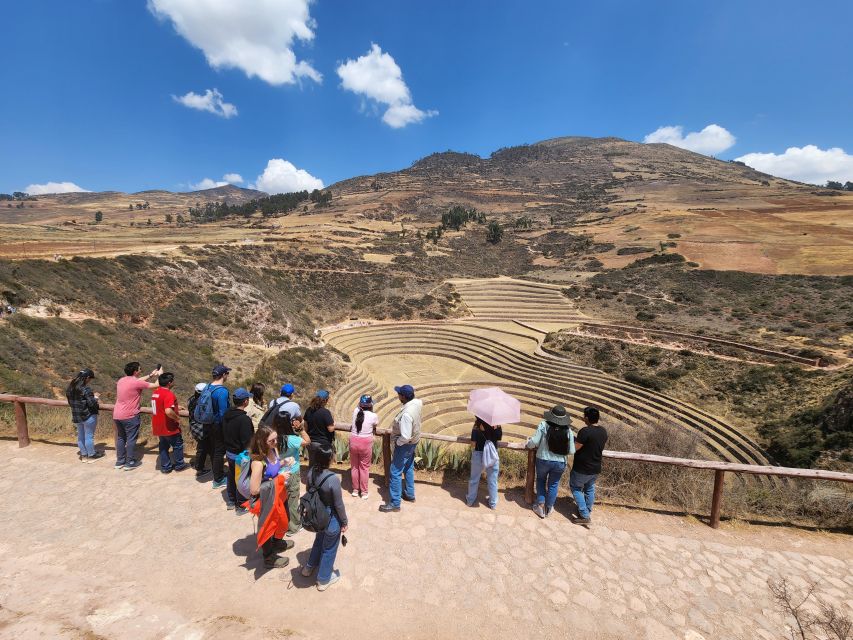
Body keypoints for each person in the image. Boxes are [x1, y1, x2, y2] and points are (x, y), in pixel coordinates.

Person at [300, 442, 348, 591]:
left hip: (317, 514)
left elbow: (309, 491)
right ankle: (323, 580)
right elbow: (338, 504)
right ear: (330, 459)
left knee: (319, 540)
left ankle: (308, 568)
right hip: (330, 516)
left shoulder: (310, 473)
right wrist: (344, 521)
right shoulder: (333, 479)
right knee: (329, 548)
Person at [246, 425, 295, 569]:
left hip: (279, 495)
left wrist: (283, 462)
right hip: (267, 500)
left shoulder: (273, 450)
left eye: (276, 439)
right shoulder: (258, 462)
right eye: (272, 441)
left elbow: (274, 467)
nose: (275, 442)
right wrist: (278, 479)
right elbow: (254, 490)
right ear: (262, 442)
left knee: (284, 519)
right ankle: (269, 558)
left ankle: (277, 542)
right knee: (268, 526)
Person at [526, 405, 575, 519]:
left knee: (541, 481)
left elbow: (534, 442)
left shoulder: (544, 425)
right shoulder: (568, 430)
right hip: (560, 463)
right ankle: (548, 508)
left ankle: (540, 507)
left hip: (543, 459)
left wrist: (528, 443)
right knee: (553, 484)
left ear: (551, 416)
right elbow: (572, 450)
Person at [379, 384, 421, 513]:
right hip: (414, 442)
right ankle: (409, 494)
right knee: (408, 467)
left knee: (395, 472)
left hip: (404, 445)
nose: (397, 396)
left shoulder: (407, 415)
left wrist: (398, 441)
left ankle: (395, 503)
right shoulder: (417, 403)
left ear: (403, 396)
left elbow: (406, 436)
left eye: (399, 394)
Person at [113, 362, 162, 471]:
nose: (141, 370)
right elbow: (156, 385)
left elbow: (138, 381)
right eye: (140, 369)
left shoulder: (121, 380)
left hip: (117, 414)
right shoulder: (136, 383)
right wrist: (160, 375)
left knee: (121, 437)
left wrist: (150, 375)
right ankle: (130, 462)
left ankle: (120, 461)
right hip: (130, 415)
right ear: (135, 371)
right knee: (131, 439)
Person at [272, 405, 310, 535]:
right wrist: (300, 429)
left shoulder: (273, 438)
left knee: (282, 499)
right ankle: (294, 527)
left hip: (278, 472)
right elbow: (307, 441)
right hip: (292, 472)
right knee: (293, 499)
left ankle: (283, 522)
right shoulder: (292, 440)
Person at [570, 406, 608, 525]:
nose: (583, 417)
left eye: (583, 416)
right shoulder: (603, 431)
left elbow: (575, 448)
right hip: (595, 467)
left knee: (575, 488)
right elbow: (593, 445)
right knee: (589, 488)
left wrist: (572, 441)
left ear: (586, 418)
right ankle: (587, 509)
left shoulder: (585, 431)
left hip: (582, 467)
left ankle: (585, 516)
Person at [223, 387, 255, 513]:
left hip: (229, 452)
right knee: (242, 479)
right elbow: (247, 441)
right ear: (245, 401)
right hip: (240, 455)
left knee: (231, 475)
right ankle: (241, 505)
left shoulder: (227, 414)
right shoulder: (244, 419)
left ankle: (231, 500)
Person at [150, 372, 188, 474]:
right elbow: (167, 411)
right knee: (177, 445)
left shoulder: (155, 392)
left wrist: (176, 407)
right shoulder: (168, 394)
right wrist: (177, 418)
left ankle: (166, 467)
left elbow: (159, 406)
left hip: (157, 424)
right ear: (170, 383)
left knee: (163, 446)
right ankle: (179, 465)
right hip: (168, 426)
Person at [65, 368, 103, 462]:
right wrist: (96, 397)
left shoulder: (70, 388)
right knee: (89, 436)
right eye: (90, 379)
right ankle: (91, 455)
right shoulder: (86, 389)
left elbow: (71, 403)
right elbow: (92, 404)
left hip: (77, 415)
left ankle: (84, 455)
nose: (90, 381)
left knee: (81, 436)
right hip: (88, 415)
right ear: (87, 378)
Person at [466, 417, 502, 509]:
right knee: (492, 480)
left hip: (478, 453)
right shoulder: (496, 424)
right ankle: (493, 503)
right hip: (492, 456)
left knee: (474, 479)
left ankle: (470, 500)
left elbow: (473, 444)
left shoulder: (476, 426)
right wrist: (495, 428)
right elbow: (499, 437)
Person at [206, 364, 231, 490]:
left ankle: (217, 473)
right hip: (218, 425)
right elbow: (223, 413)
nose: (228, 376)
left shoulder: (208, 387)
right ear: (223, 375)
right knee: (219, 452)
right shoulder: (222, 391)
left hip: (208, 423)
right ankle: (218, 479)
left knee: (214, 450)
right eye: (227, 373)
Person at [349, 394, 377, 499]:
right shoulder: (374, 416)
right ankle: (364, 492)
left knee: (354, 467)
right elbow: (374, 426)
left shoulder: (356, 412)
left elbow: (358, 407)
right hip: (365, 442)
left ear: (360, 404)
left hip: (353, 440)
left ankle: (355, 490)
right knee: (364, 468)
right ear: (370, 405)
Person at [188, 382, 211, 477]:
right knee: (203, 448)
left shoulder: (191, 399)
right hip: (201, 428)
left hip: (193, 427)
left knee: (201, 446)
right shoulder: (202, 403)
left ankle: (197, 462)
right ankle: (199, 468)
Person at [304, 390, 334, 461]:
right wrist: (333, 424)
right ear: (326, 400)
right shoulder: (325, 412)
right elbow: (331, 429)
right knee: (322, 466)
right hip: (323, 444)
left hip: (311, 442)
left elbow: (305, 426)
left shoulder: (308, 410)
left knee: (312, 465)